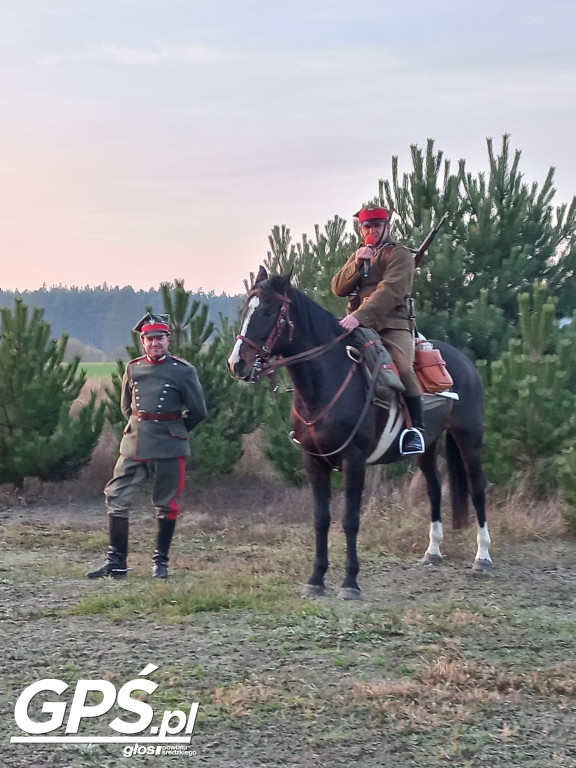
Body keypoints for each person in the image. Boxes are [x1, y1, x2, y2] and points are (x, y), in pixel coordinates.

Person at [87, 312, 207, 580]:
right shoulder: (133, 368)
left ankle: (160, 563)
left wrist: (174, 431)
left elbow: (198, 411)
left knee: (166, 504)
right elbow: (125, 407)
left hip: (169, 445)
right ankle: (116, 563)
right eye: (149, 339)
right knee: (116, 496)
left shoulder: (183, 371)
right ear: (143, 341)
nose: (155, 343)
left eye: (160, 338)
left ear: (168, 339)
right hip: (135, 443)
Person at [332, 204, 425, 455]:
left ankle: (416, 429)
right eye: (367, 226)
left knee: (402, 367)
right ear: (361, 229)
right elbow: (338, 288)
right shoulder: (360, 254)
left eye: (376, 225)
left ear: (387, 227)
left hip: (392, 325)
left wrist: (359, 316)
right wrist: (356, 264)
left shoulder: (400, 254)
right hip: (359, 325)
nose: (371, 230)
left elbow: (391, 291)